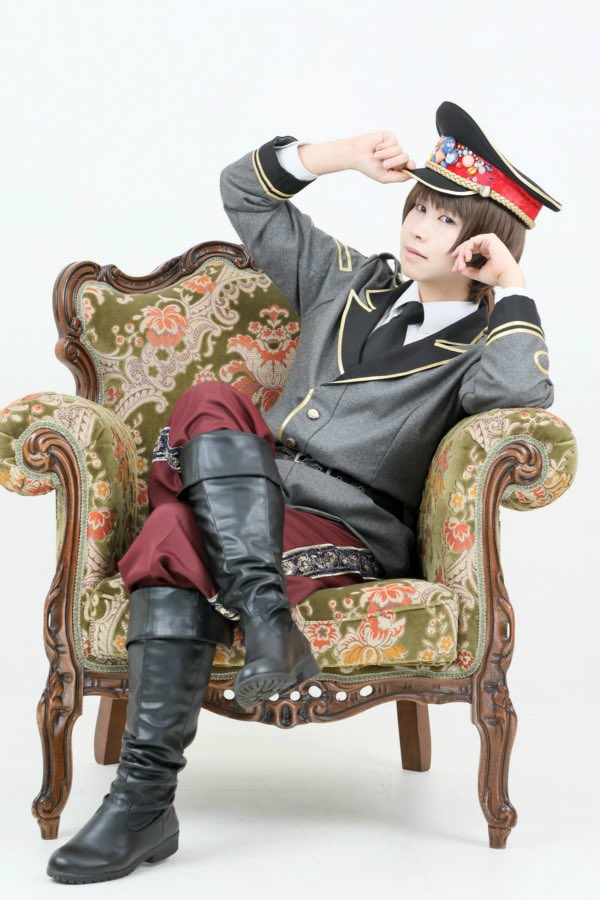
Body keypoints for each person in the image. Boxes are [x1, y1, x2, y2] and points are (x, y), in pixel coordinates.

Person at [46, 100, 561, 883]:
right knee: (211, 397)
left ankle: (141, 803)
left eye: (446, 219)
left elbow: (523, 396)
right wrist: (341, 155)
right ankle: (267, 620)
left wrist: (514, 286)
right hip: (241, 482)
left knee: (167, 538)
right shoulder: (348, 280)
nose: (420, 225)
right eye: (419, 206)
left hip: (339, 527)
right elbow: (243, 192)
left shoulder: (481, 344)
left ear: (481, 244)